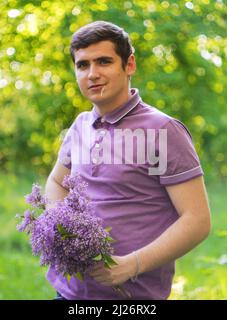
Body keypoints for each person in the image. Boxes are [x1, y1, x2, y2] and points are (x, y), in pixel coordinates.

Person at [44, 21, 211, 300]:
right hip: (69, 293)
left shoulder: (163, 130)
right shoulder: (81, 125)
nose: (92, 74)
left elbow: (197, 220)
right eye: (82, 65)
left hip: (133, 299)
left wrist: (131, 265)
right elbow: (56, 182)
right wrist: (61, 226)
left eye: (104, 62)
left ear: (129, 65)